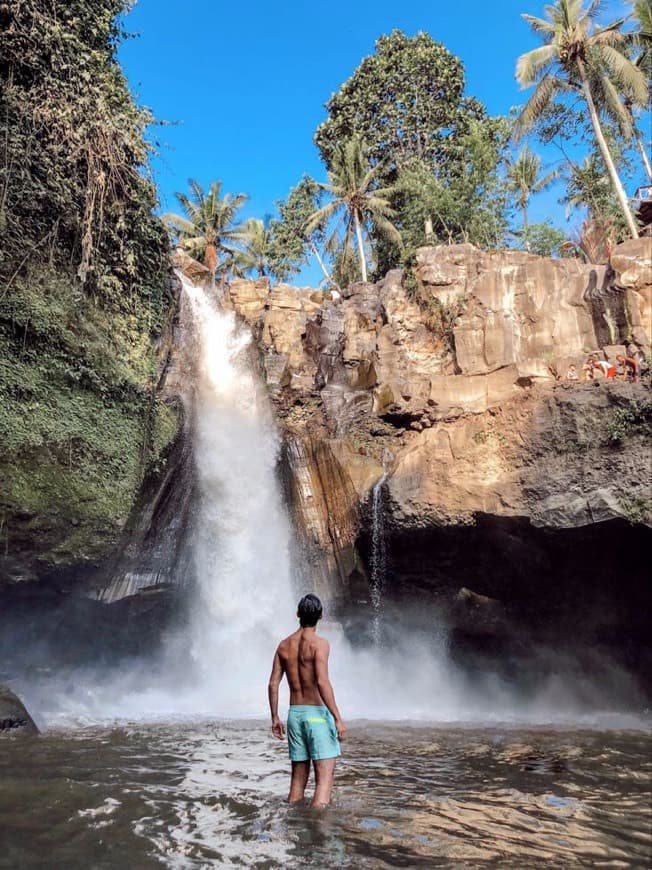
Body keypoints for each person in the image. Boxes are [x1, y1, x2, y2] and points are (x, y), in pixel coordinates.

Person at [268, 594, 346, 808]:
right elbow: (322, 681)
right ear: (321, 615)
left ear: (297, 615)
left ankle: (294, 824)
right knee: (324, 780)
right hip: (317, 717)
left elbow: (273, 683)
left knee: (297, 781)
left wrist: (275, 717)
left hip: (295, 715)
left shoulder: (284, 645)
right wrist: (337, 718)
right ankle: (320, 834)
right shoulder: (320, 644)